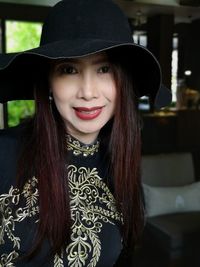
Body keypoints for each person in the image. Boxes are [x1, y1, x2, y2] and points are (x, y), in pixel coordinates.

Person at [0, 0, 171, 266]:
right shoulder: (4, 153)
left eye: (104, 69)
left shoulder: (120, 160)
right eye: (69, 70)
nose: (88, 92)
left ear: (122, 80)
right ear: (48, 81)